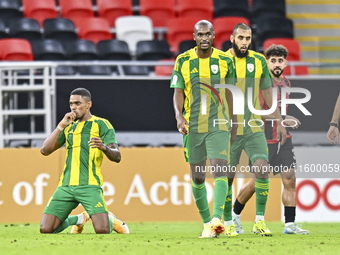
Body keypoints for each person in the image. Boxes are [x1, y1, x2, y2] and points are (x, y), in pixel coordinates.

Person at [231, 45, 309, 235]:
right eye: (273, 60)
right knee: (255, 183)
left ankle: (290, 225)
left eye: (280, 60)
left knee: (290, 179)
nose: (276, 64)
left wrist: (283, 121)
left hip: (283, 140)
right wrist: (282, 119)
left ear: (286, 63)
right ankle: (234, 217)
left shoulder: (287, 84)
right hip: (261, 139)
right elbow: (255, 112)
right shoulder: (260, 85)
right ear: (267, 62)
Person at [171, 20, 237, 238]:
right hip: (193, 126)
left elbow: (230, 91)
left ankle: (218, 220)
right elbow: (178, 91)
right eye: (200, 34)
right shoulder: (183, 60)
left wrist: (234, 120)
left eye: (208, 34)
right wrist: (179, 117)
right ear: (194, 36)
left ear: (214, 35)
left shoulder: (226, 59)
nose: (204, 38)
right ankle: (207, 223)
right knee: (198, 177)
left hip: (218, 123)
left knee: (220, 169)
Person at [223, 23, 287, 237]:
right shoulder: (221, 61)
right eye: (240, 38)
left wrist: (278, 122)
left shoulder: (259, 60)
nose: (244, 42)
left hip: (253, 127)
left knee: (261, 168)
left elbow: (268, 94)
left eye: (248, 38)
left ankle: (259, 220)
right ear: (232, 38)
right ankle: (228, 222)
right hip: (228, 129)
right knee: (227, 178)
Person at [39, 88, 129, 235]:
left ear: (88, 104)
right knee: (46, 229)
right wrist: (61, 125)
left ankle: (113, 221)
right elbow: (45, 150)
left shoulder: (102, 124)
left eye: (77, 103)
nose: (73, 107)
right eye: (71, 104)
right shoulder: (68, 126)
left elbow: (117, 157)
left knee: (102, 230)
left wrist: (104, 148)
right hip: (66, 186)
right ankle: (80, 219)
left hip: (90, 185)